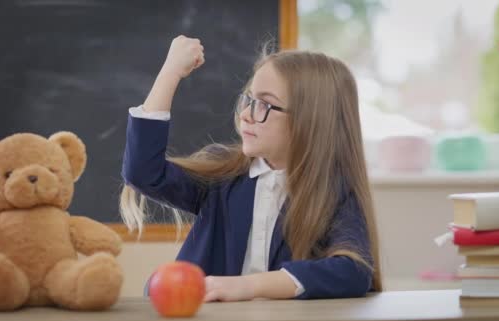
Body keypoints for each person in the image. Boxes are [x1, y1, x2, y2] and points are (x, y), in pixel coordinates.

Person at [120, 35, 382, 302]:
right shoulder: (222, 178)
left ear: (311, 121)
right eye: (248, 100)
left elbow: (353, 271)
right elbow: (143, 173)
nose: (245, 114)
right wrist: (171, 72)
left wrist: (249, 286)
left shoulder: (334, 191)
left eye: (264, 105)